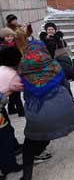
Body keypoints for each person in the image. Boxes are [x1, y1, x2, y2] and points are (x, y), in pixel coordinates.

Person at [18, 40, 74, 180]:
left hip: (37, 113)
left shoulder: (22, 71)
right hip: (63, 105)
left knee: (29, 145)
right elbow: (65, 85)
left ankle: (27, 176)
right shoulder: (55, 65)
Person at [0, 47, 23, 180]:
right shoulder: (13, 76)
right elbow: (26, 86)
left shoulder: (2, 68)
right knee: (4, 136)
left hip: (1, 108)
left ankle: (12, 152)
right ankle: (8, 166)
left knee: (7, 129)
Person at [0, 27, 24, 116]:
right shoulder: (2, 47)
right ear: (3, 38)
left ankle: (11, 108)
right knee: (15, 91)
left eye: (11, 36)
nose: (9, 38)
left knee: (13, 92)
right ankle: (21, 111)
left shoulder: (15, 45)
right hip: (8, 71)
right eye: (7, 36)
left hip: (16, 68)